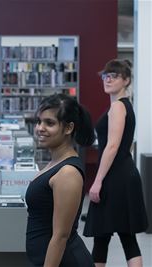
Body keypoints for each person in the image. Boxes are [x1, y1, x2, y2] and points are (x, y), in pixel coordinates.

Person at [83, 59, 148, 267]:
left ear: (126, 80)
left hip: (114, 178)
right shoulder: (124, 106)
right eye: (105, 75)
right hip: (123, 174)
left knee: (103, 236)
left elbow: (112, 147)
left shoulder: (118, 107)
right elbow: (123, 146)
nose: (108, 79)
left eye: (114, 76)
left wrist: (98, 181)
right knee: (124, 238)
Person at [25, 94, 95, 267]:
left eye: (49, 123)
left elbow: (61, 236)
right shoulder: (55, 162)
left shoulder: (68, 172)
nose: (40, 128)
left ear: (68, 128)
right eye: (39, 121)